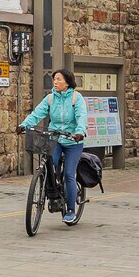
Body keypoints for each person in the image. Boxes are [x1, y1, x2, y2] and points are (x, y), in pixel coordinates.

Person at [21, 69, 89, 225]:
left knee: (69, 174)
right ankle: (53, 188)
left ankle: (71, 210)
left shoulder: (76, 98)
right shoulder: (51, 98)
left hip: (73, 142)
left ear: (68, 82)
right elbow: (37, 113)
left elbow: (81, 116)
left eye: (59, 79)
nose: (55, 82)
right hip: (55, 139)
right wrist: (24, 125)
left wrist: (79, 132)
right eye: (54, 79)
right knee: (48, 165)